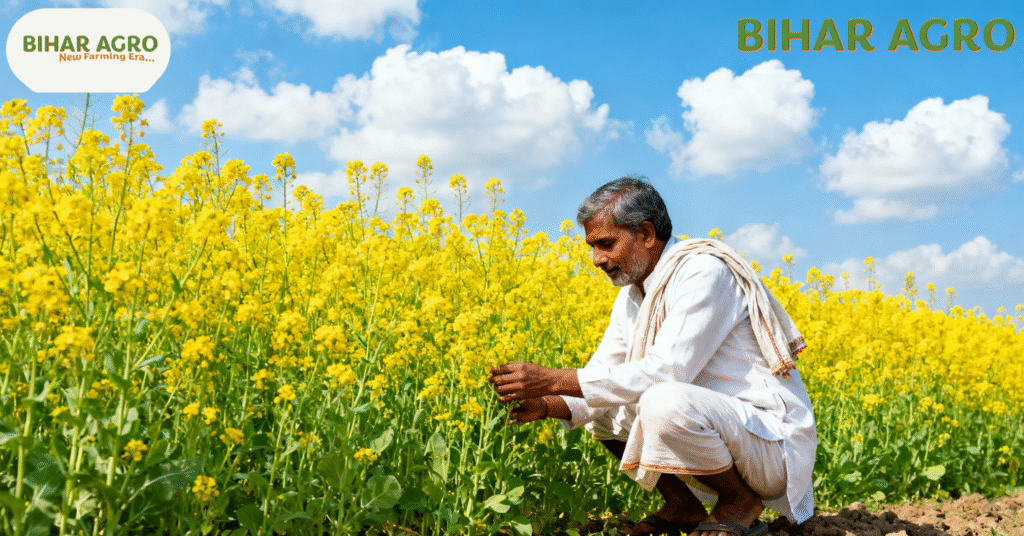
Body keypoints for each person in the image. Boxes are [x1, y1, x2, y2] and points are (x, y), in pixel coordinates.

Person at [488, 177, 816, 536]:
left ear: (645, 233)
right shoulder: (634, 295)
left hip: (767, 446)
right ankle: (682, 506)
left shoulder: (704, 272)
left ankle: (739, 502)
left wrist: (553, 379)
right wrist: (549, 403)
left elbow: (666, 372)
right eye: (592, 247)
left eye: (606, 244)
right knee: (605, 401)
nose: (597, 259)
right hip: (721, 437)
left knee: (663, 397)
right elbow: (603, 373)